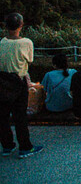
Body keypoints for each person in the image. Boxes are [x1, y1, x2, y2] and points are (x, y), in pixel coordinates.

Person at [0, 12, 43, 158]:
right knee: (20, 116)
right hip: (18, 81)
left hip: (2, 81)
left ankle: (7, 145)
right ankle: (25, 147)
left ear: (6, 26)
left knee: (3, 116)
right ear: (21, 25)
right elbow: (29, 60)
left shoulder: (1, 42)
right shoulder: (26, 42)